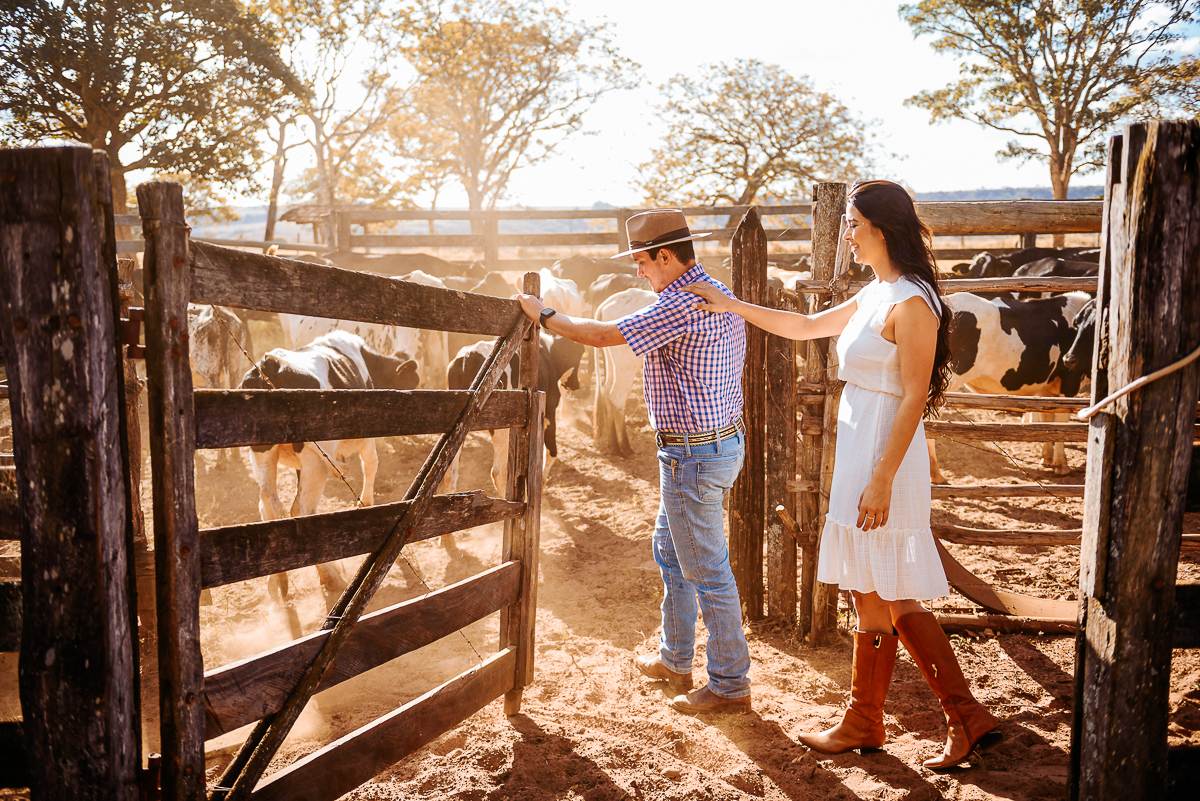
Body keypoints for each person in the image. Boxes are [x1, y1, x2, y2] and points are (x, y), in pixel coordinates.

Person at [682, 180, 999, 769]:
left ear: (880, 229)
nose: (847, 235)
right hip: (860, 448)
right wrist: (730, 305)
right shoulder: (877, 293)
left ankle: (963, 717)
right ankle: (868, 722)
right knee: (868, 591)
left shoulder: (913, 301)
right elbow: (804, 328)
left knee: (897, 595)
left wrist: (881, 479)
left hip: (887, 455)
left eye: (853, 224)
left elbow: (913, 398)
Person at [514, 208, 753, 714]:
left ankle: (730, 683)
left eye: (642, 262)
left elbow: (601, 335)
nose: (639, 272)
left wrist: (545, 314)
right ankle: (676, 656)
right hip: (715, 443)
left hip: (692, 453)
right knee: (671, 551)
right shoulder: (715, 292)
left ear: (665, 257)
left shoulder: (679, 304)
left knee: (707, 569)